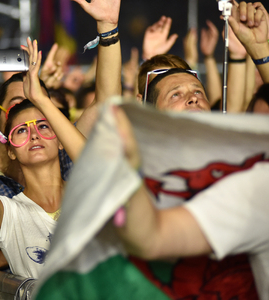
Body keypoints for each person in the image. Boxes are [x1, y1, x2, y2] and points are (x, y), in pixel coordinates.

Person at [113, 3, 269, 299]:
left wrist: (258, 52)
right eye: (176, 94)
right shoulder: (130, 161)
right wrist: (108, 32)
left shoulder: (243, 167)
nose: (193, 98)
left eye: (198, 92)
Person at [0, 38, 86, 279]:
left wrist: (41, 99)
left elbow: (99, 164)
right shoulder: (10, 215)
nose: (34, 135)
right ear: (10, 150)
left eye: (43, 126)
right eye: (21, 130)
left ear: (60, 139)